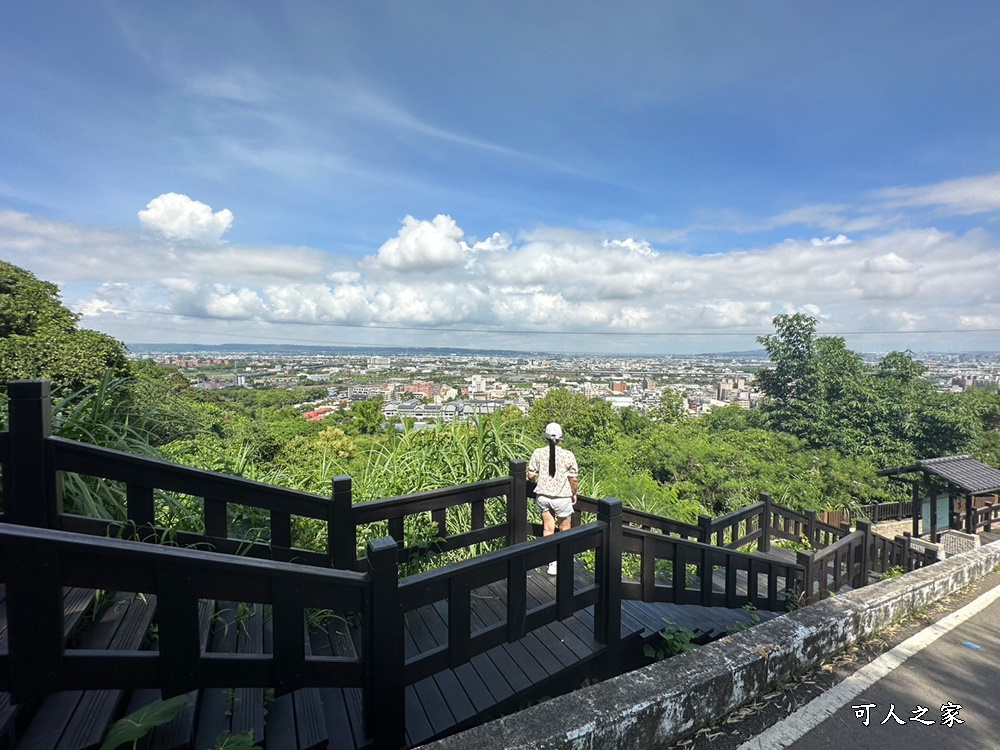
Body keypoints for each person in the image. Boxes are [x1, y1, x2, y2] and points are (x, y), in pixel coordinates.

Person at [527, 422, 579, 575]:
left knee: (548, 529)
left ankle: (551, 563)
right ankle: (564, 560)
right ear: (561, 437)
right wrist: (574, 493)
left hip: (543, 496)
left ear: (546, 437)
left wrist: (533, 483)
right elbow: (574, 480)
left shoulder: (538, 452)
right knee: (564, 530)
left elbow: (530, 476)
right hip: (562, 497)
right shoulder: (568, 455)